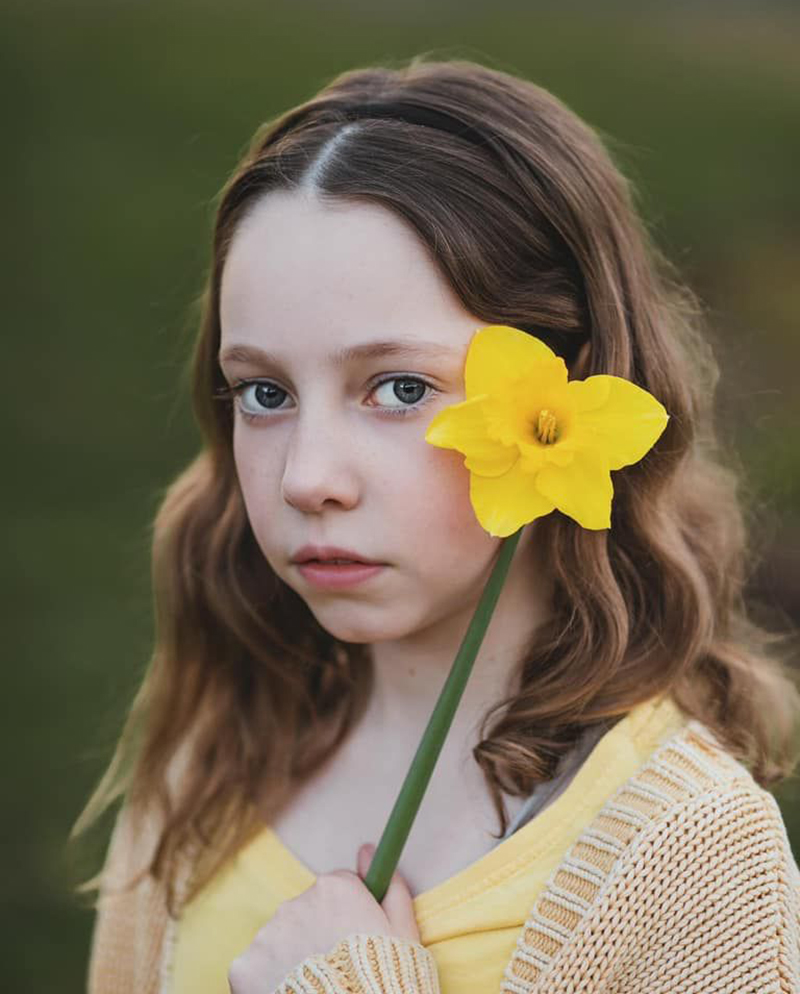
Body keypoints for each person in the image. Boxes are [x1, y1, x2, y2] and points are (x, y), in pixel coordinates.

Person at [72, 55, 800, 993]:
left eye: (400, 388)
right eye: (264, 391)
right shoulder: (209, 760)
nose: (308, 478)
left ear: (584, 377)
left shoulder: (690, 853)